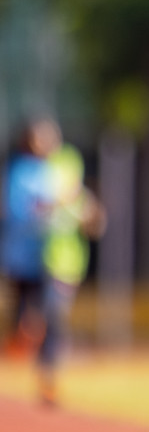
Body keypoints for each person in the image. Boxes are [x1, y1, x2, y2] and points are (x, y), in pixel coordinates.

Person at [2, 118, 102, 407]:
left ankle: (48, 379)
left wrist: (89, 215)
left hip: (59, 263)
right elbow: (20, 212)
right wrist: (51, 206)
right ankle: (25, 344)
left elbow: (85, 208)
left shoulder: (63, 169)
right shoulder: (22, 172)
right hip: (26, 261)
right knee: (29, 321)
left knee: (52, 317)